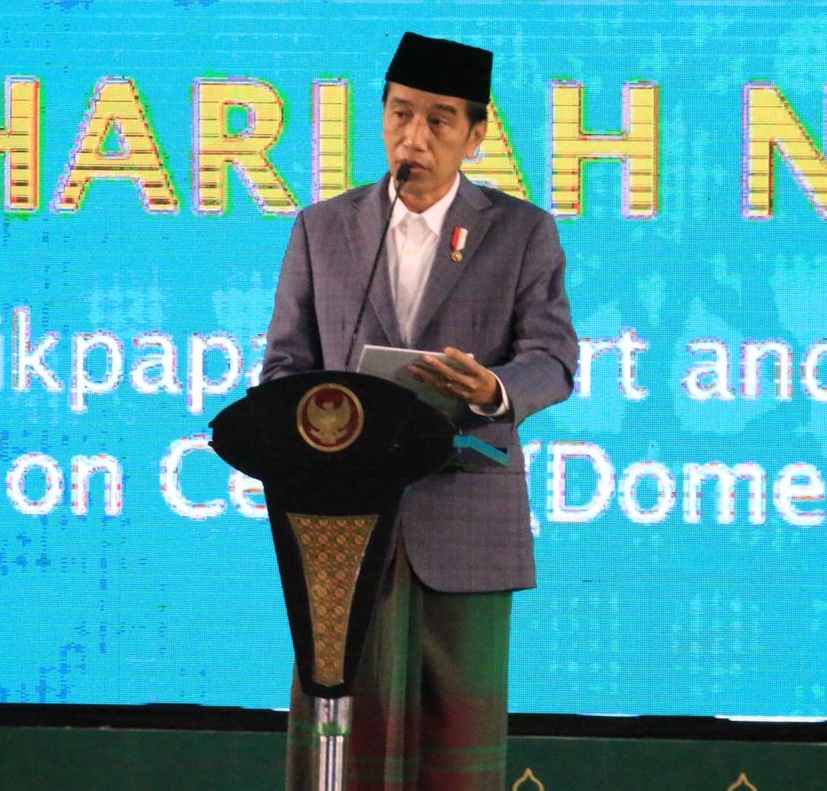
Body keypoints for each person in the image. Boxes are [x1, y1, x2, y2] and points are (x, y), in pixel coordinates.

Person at [261, 31, 578, 791]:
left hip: (466, 516)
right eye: (401, 114)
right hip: (342, 525)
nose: (415, 137)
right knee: (348, 747)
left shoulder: (521, 231)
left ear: (476, 133)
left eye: (439, 120)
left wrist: (491, 388)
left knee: (454, 755)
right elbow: (283, 367)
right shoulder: (323, 228)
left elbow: (554, 359)